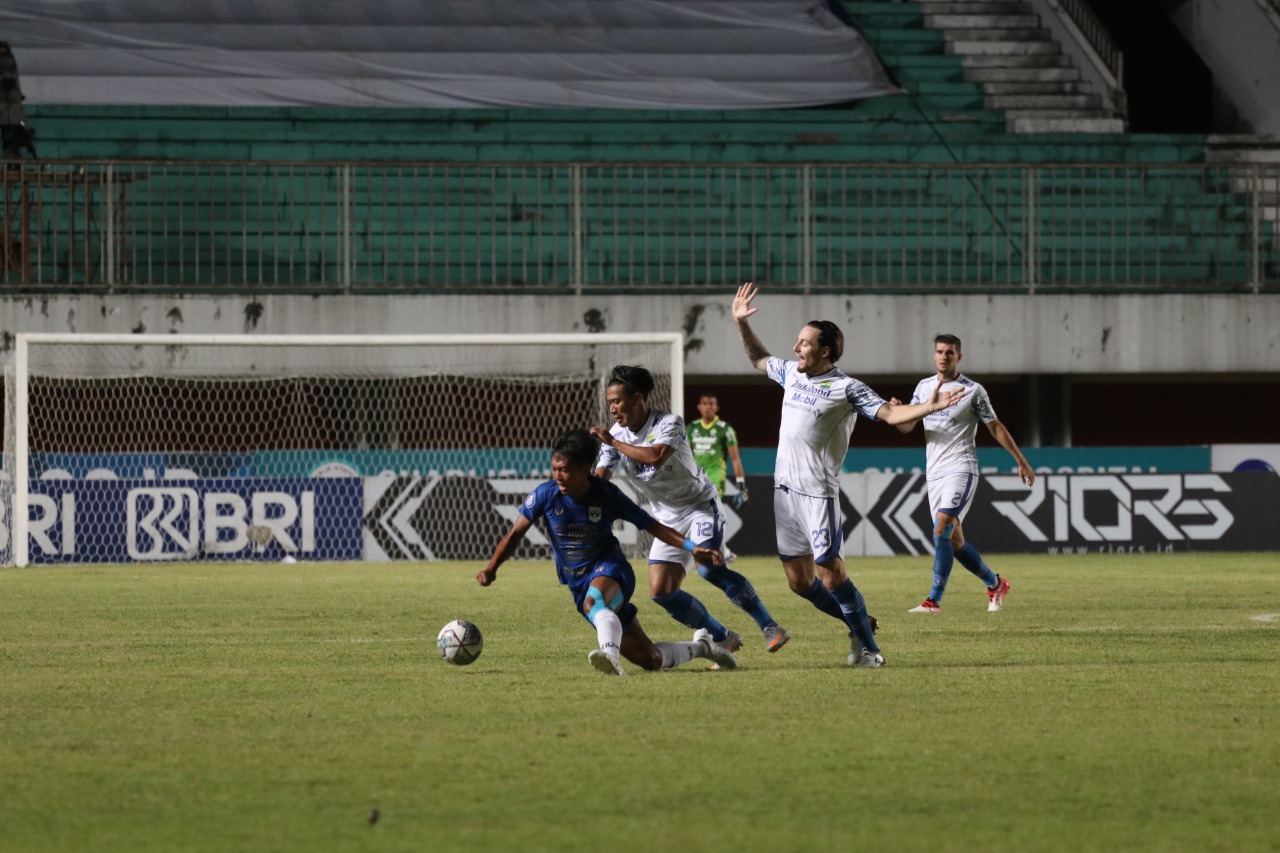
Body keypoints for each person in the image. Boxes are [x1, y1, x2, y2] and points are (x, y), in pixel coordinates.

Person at [731, 282, 962, 667]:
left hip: (817, 494)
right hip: (784, 491)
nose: (795, 348)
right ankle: (858, 625)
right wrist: (740, 322)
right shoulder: (791, 374)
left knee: (832, 576)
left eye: (803, 343)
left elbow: (890, 415)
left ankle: (869, 649)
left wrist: (927, 407)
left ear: (824, 350)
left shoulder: (846, 388)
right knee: (798, 582)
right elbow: (759, 358)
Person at [477, 428, 738, 676]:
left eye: (565, 470)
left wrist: (694, 547)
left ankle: (610, 657)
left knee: (596, 602)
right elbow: (514, 534)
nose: (557, 476)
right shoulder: (546, 494)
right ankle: (704, 647)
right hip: (577, 583)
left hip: (612, 570)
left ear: (584, 469)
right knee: (651, 660)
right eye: (555, 468)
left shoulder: (607, 495)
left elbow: (653, 526)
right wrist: (491, 568)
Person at [591, 366, 791, 654]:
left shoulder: (668, 423)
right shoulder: (615, 435)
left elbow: (655, 457)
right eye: (609, 402)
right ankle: (722, 636)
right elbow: (601, 477)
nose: (612, 408)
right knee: (662, 592)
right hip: (666, 518)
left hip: (699, 506)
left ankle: (770, 626)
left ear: (637, 399)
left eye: (617, 401)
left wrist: (614, 442)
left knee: (708, 568)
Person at [893, 334, 1034, 614]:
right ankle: (995, 583)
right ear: (934, 355)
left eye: (950, 352)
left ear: (959, 357)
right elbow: (907, 427)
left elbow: (994, 426)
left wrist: (1020, 459)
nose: (944, 356)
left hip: (961, 467)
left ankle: (934, 600)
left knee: (941, 526)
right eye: (940, 352)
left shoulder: (973, 390)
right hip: (934, 472)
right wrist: (899, 414)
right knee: (954, 541)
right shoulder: (923, 388)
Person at [687, 393, 748, 562]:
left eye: (711, 404)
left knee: (710, 516)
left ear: (717, 407)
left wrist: (741, 484)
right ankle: (718, 551)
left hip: (714, 480)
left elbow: (735, 458)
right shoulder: (691, 428)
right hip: (694, 480)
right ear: (699, 407)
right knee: (696, 516)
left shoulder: (725, 429)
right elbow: (685, 455)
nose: (708, 407)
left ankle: (721, 551)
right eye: (705, 404)